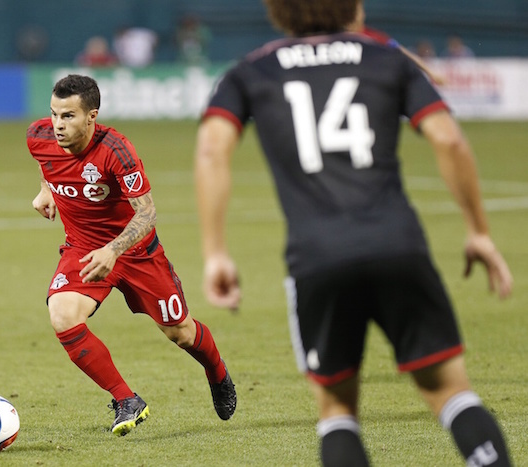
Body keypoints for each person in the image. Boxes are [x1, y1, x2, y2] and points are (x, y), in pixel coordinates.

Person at [194, 0, 513, 465]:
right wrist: (479, 231)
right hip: (398, 244)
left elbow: (210, 151)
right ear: (352, 7)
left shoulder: (250, 71)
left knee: (337, 410)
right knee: (450, 391)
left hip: (317, 257)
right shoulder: (384, 57)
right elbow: (448, 138)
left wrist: (215, 251)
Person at [27, 74, 236, 436]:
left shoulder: (116, 151)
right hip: (83, 249)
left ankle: (217, 374)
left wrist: (114, 249)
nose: (58, 125)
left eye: (69, 116)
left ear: (92, 115)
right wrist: (46, 190)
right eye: (54, 114)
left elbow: (147, 213)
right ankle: (126, 399)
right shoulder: (39, 136)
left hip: (138, 254)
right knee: (62, 315)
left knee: (181, 333)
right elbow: (46, 163)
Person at [348, 2, 444, 85]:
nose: (360, 15)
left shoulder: (374, 36)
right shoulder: (335, 35)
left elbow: (402, 52)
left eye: (360, 11)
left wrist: (430, 72)